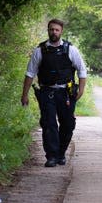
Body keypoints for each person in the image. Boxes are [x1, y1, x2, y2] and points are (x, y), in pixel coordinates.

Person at [21, 18, 87, 167]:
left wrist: (81, 90)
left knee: (68, 124)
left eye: (56, 30)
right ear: (48, 30)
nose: (54, 32)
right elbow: (30, 73)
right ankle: (51, 156)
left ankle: (61, 153)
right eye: (51, 29)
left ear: (61, 31)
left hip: (66, 93)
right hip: (47, 92)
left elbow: (82, 71)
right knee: (49, 124)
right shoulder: (40, 50)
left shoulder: (71, 50)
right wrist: (24, 95)